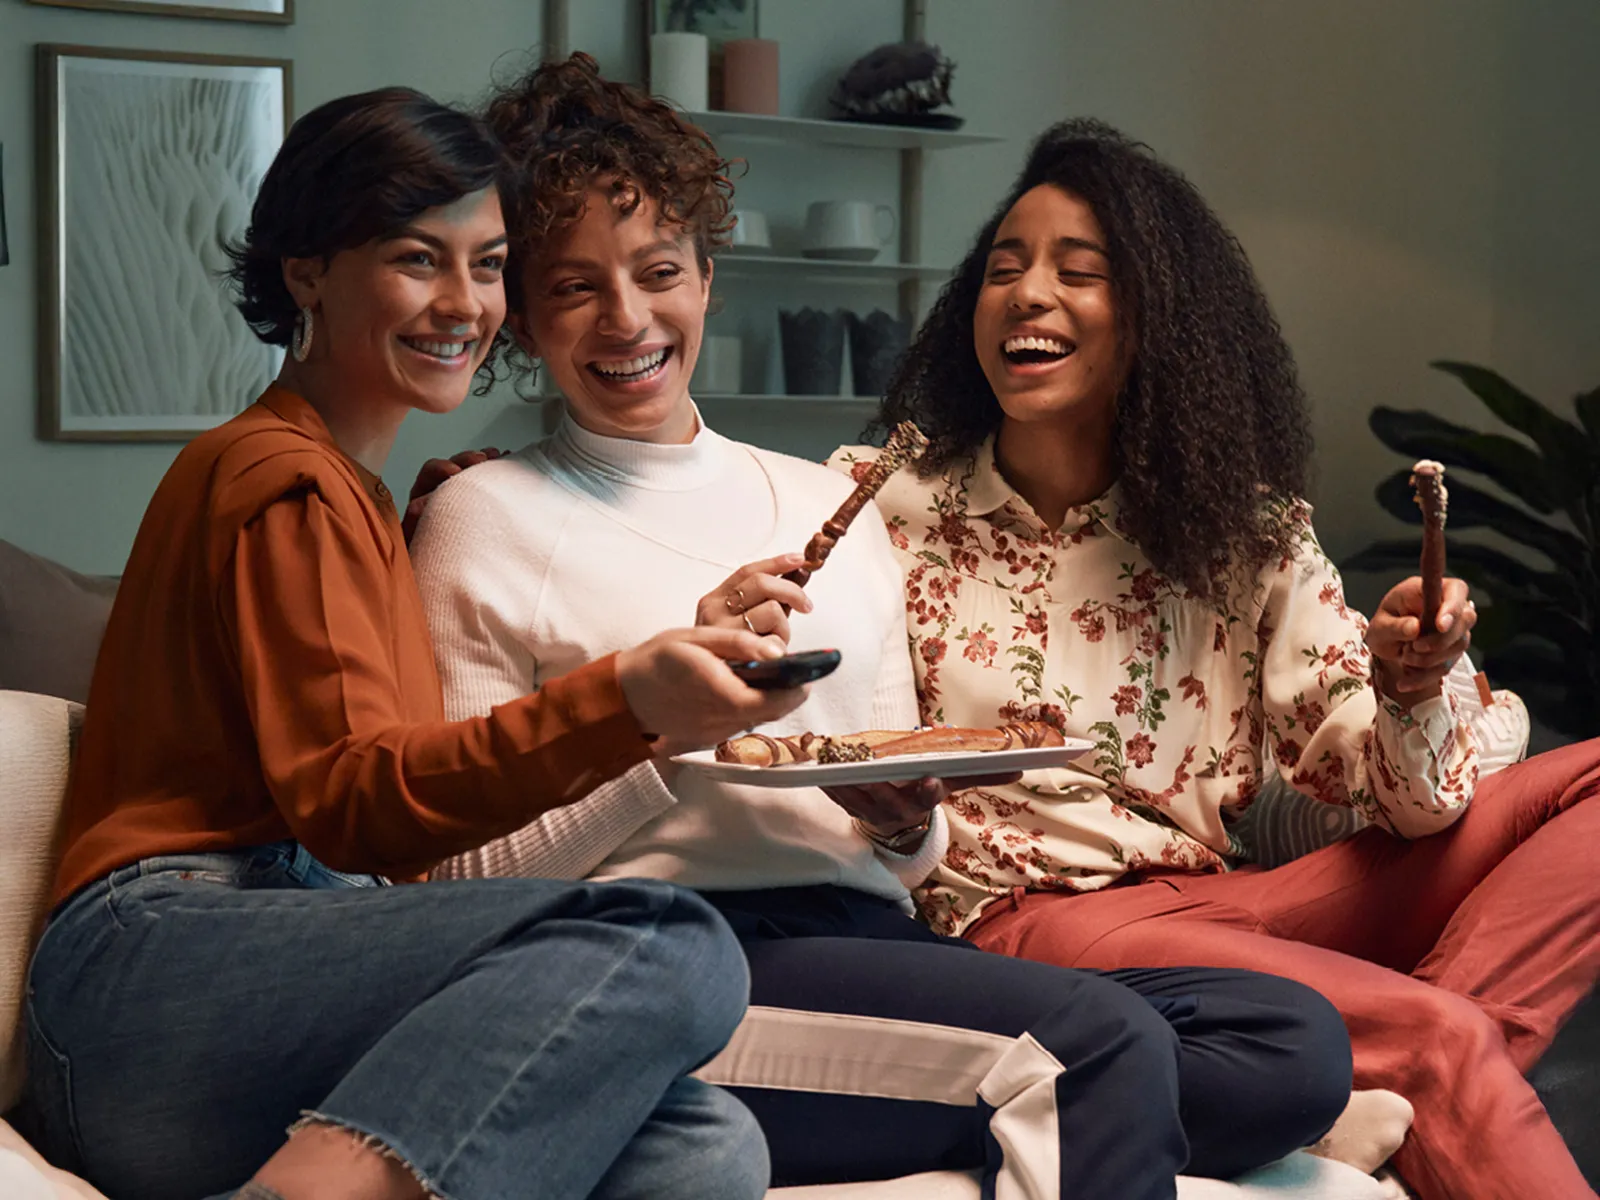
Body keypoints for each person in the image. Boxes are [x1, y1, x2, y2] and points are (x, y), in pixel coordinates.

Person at [409, 54, 1357, 1200]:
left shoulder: (830, 502)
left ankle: (965, 1112)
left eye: (658, 270)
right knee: (1100, 1047)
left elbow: (902, 845)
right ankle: (1026, 1103)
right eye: (571, 287)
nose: (627, 318)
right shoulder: (481, 516)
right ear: (521, 312)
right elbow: (451, 875)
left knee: (1289, 1045)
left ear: (708, 277)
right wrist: (656, 732)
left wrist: (903, 822)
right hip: (660, 959)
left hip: (872, 943)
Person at [13, 86, 808, 1200]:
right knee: (661, 938)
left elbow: (403, 830)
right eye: (415, 259)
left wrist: (637, 685)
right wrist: (627, 701)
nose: (463, 303)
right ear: (308, 274)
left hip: (260, 978)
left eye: (487, 265)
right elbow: (353, 803)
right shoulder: (280, 481)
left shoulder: (353, 500)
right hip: (154, 973)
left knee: (699, 1148)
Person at [833, 117, 1600, 1200]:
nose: (1025, 294)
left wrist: (1409, 687)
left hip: (1226, 897)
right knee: (1434, 1037)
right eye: (1002, 270)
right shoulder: (884, 503)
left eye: (1076, 272)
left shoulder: (1244, 536)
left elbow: (1402, 803)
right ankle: (1415, 1057)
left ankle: (1387, 1070)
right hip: (1037, 922)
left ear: (1153, 321)